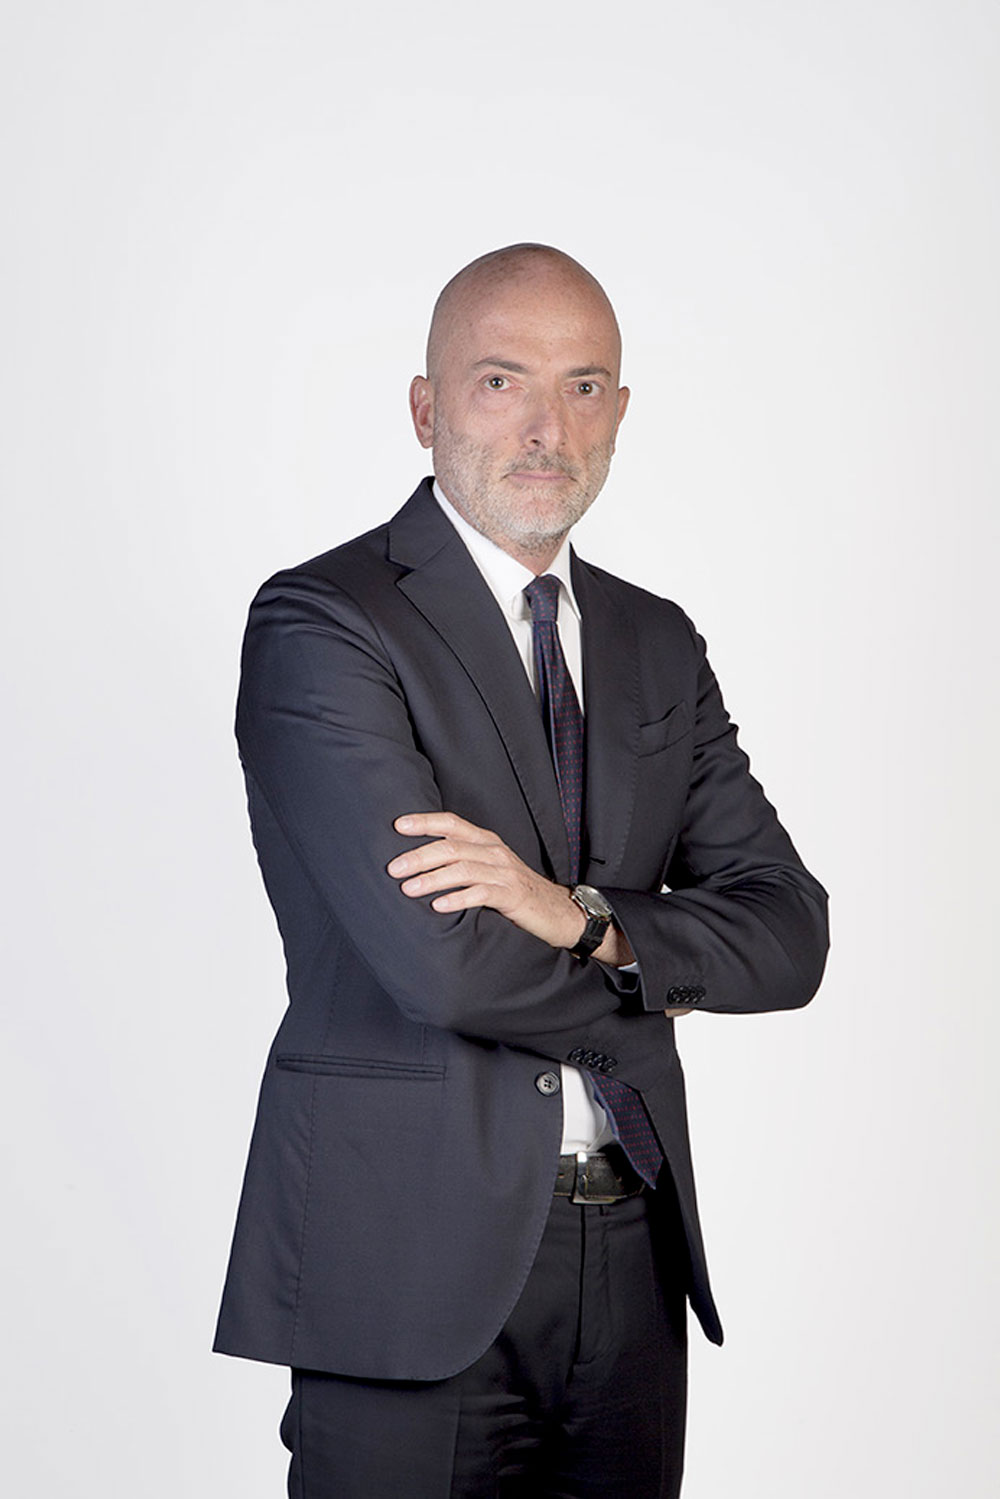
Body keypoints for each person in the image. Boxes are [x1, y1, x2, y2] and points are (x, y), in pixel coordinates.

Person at [214, 243, 829, 1497]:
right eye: (502, 381)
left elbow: (789, 934)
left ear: (619, 410)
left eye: (584, 385)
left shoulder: (656, 640)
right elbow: (442, 968)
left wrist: (582, 919)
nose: (549, 427)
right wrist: (656, 979)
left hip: (632, 1255)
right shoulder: (325, 622)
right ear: (426, 407)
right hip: (405, 1258)